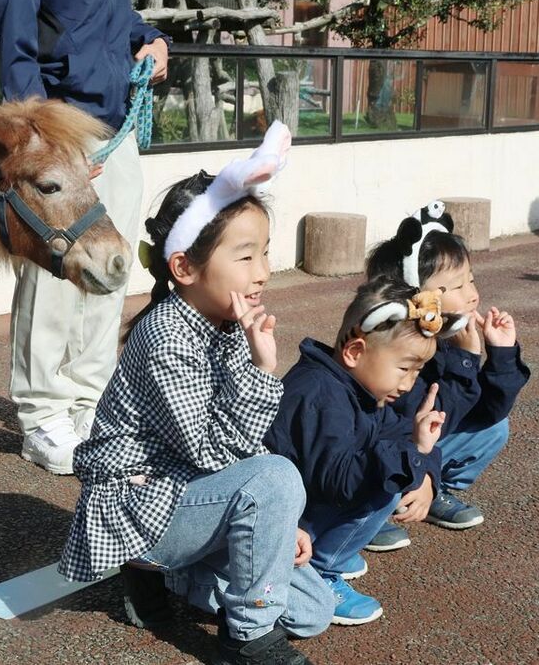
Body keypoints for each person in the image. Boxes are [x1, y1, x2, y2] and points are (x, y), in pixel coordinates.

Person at [59, 125, 334, 665]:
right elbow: (213, 452)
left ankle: (182, 580)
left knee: (313, 610)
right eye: (246, 256)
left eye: (265, 254)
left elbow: (234, 451)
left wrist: (283, 525)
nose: (262, 273)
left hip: (191, 500)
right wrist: (263, 368)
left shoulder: (226, 321)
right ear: (184, 266)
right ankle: (247, 639)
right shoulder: (166, 335)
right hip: (141, 506)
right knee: (276, 476)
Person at [0, 0, 171, 473]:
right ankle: (42, 416)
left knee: (110, 270)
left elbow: (117, 20)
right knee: (51, 276)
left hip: (116, 130)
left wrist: (151, 41)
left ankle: (89, 403)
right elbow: (17, 54)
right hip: (61, 131)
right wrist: (45, 142)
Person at [264, 276, 455, 626]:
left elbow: (397, 432)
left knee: (400, 468)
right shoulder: (321, 395)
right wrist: (412, 452)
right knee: (386, 484)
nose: (410, 383)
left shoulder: (357, 388)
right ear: (355, 352)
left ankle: (327, 551)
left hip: (309, 503)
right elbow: (339, 481)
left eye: (417, 370)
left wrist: (425, 469)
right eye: (403, 368)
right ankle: (322, 568)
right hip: (283, 520)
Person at [363, 201, 530, 551]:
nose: (473, 294)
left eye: (471, 280)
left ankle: (434, 489)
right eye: (456, 287)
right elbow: (418, 418)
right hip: (379, 451)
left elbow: (486, 410)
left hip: (417, 445)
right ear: (414, 294)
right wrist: (467, 360)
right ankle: (367, 512)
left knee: (494, 427)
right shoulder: (396, 343)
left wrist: (500, 354)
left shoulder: (450, 333)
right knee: (402, 440)